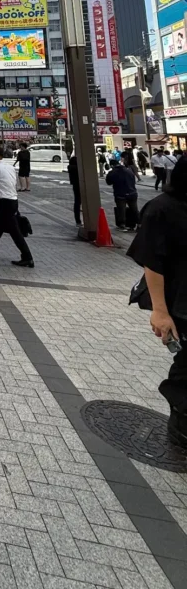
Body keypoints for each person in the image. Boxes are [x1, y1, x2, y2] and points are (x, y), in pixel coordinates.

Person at [128, 157, 187, 448]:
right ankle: (181, 424)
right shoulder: (162, 209)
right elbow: (153, 262)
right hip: (180, 301)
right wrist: (160, 312)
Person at [105, 157, 139, 230]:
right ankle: (139, 223)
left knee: (121, 210)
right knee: (134, 209)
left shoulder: (112, 172)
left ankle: (122, 224)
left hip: (120, 194)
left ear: (112, 166)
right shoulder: (129, 171)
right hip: (132, 193)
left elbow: (108, 182)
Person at [68, 154, 81, 227]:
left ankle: (78, 220)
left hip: (75, 186)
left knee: (77, 203)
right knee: (79, 202)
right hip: (80, 186)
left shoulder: (70, 168)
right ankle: (79, 220)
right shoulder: (78, 169)